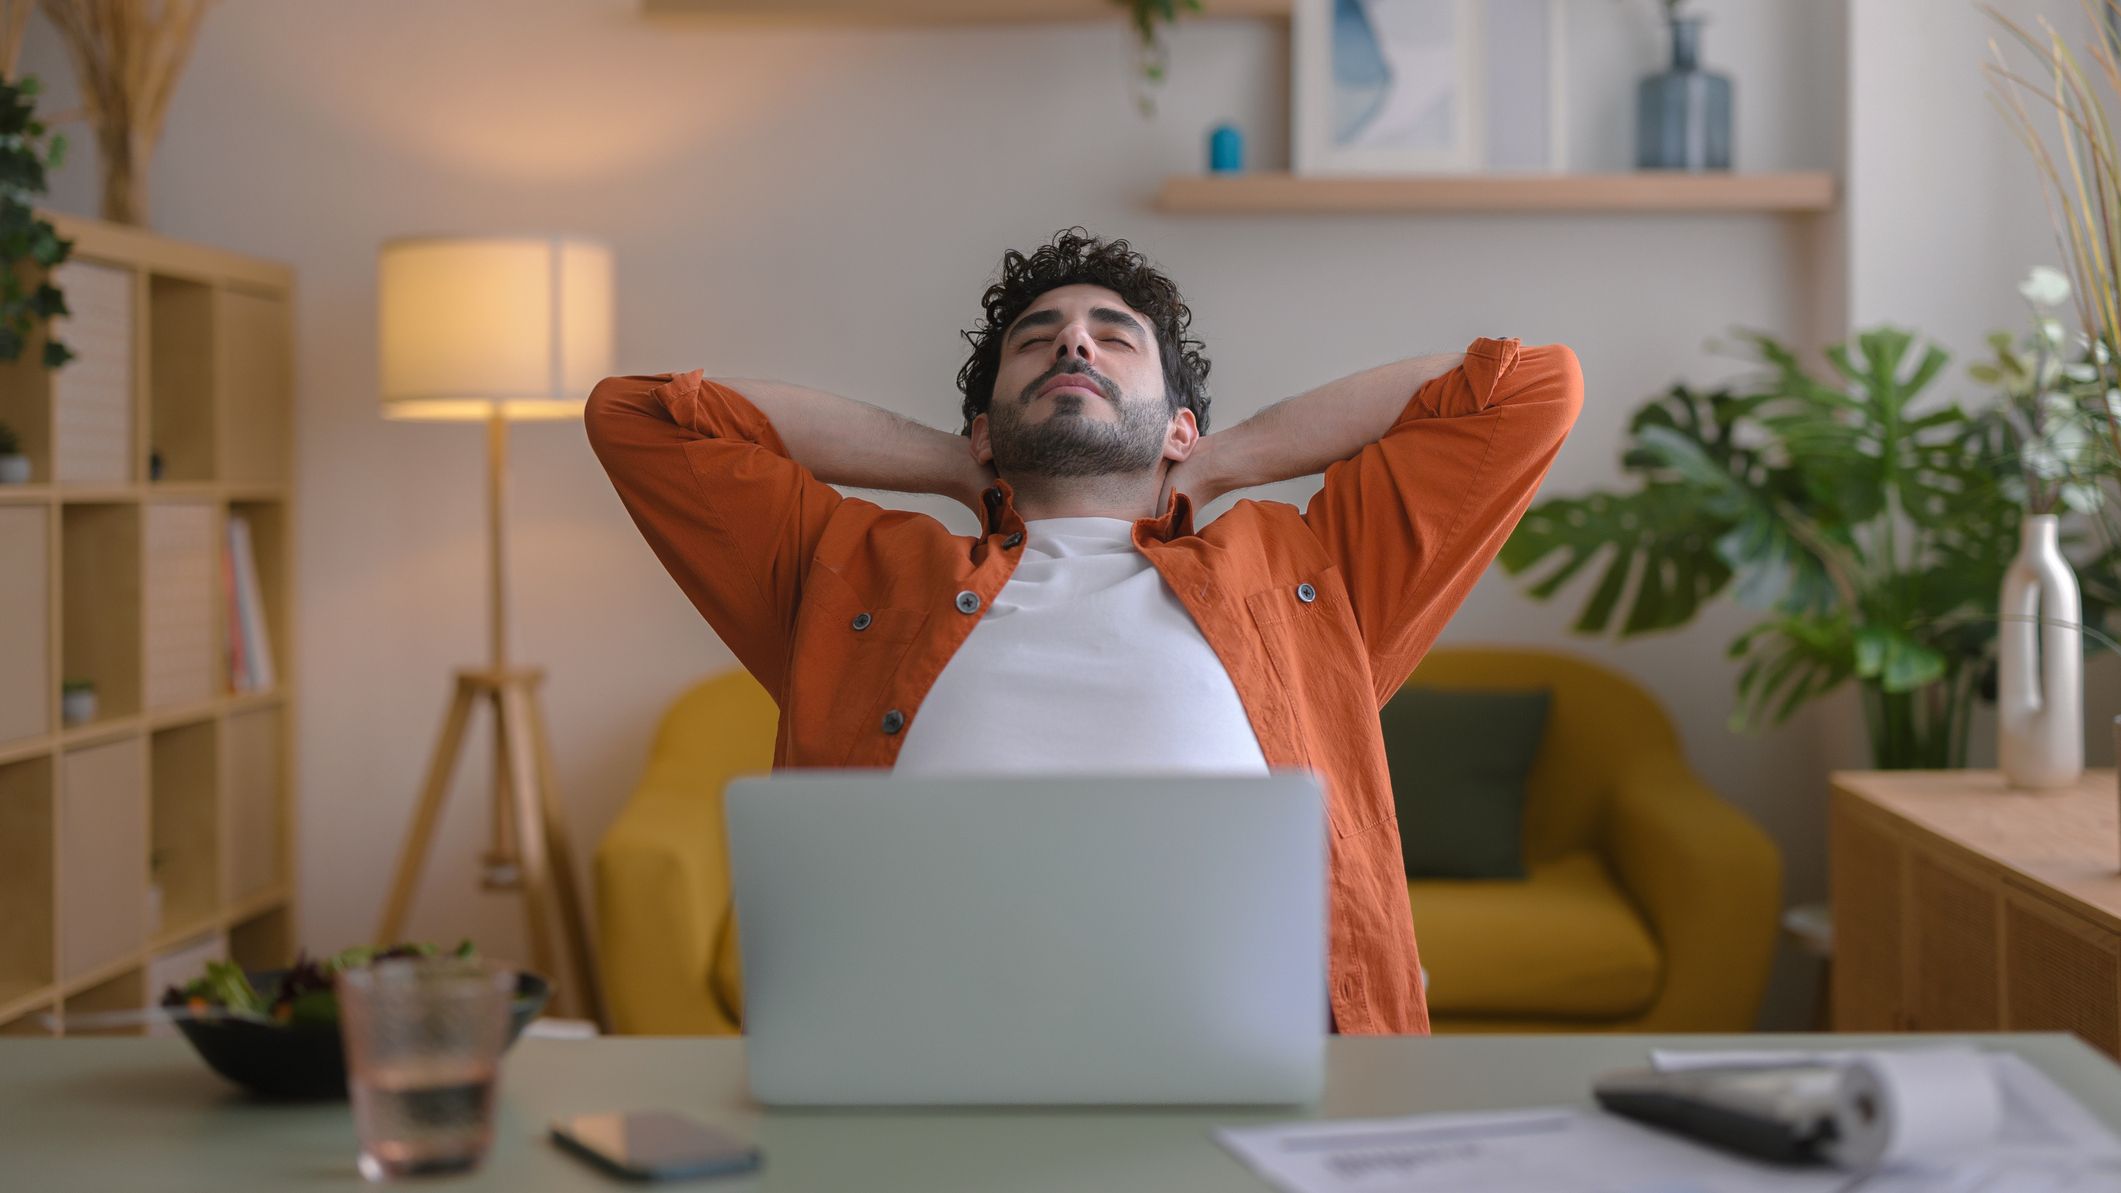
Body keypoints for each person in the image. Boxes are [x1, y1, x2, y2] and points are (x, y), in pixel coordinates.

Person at [585, 227, 1583, 1035]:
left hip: (1259, 1061)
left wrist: (1225, 458)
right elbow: (638, 415)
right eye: (1039, 337)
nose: (1074, 343)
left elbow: (1527, 388)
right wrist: (948, 462)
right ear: (985, 426)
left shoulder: (1303, 573)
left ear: (1178, 422)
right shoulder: (860, 573)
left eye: (1114, 334)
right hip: (924, 1055)